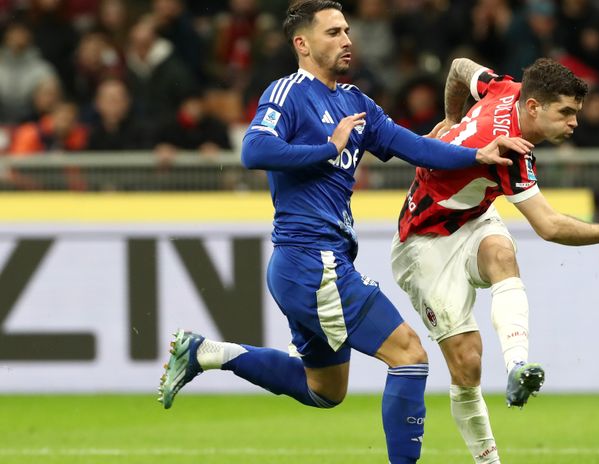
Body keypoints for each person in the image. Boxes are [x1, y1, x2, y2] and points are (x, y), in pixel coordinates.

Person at [156, 2, 531, 464]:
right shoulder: (288, 92)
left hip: (315, 264)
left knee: (323, 391)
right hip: (311, 260)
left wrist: (475, 155)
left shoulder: (355, 102)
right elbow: (254, 150)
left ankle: (208, 352)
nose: (346, 39)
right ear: (303, 43)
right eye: (333, 32)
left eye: (347, 30)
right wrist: (326, 147)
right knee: (410, 355)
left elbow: (411, 145)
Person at [391, 57, 599, 463]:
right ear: (534, 108)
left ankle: (518, 365)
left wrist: (450, 119)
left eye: (576, 113)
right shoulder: (509, 152)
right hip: (424, 242)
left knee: (501, 253)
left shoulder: (505, 89)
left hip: (472, 215)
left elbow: (460, 67)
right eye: (565, 112)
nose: (574, 123)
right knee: (468, 364)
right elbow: (548, 226)